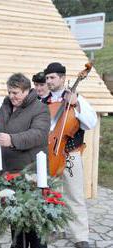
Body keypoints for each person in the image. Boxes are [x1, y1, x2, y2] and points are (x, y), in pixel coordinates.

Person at [0, 73, 50, 248]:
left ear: (27, 91)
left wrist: (12, 140)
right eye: (10, 92)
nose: (12, 96)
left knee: (35, 225)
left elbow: (38, 134)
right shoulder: (5, 106)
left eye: (16, 93)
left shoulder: (40, 108)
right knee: (15, 222)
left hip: (31, 174)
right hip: (8, 173)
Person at [43, 62, 97, 248]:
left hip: (70, 154)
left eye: (52, 78)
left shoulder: (79, 99)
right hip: (50, 153)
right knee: (50, 194)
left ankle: (81, 236)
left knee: (75, 195)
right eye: (47, 78)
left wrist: (77, 105)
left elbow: (90, 123)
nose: (49, 81)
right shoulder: (42, 102)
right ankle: (54, 227)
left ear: (63, 78)